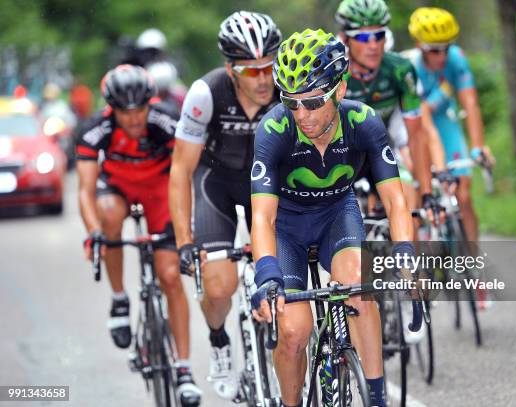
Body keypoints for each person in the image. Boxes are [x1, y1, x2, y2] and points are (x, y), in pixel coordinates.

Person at [250, 28, 416, 407]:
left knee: (360, 285)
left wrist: (406, 248)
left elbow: (394, 200)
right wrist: (266, 274)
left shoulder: (364, 122)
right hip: (287, 229)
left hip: (336, 216)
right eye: (291, 102)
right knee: (293, 331)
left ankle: (376, 396)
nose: (301, 114)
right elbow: (262, 218)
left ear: (339, 91)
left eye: (312, 102)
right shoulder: (273, 130)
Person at [168, 11, 282, 400]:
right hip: (214, 184)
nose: (264, 79)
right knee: (219, 287)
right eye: (252, 72)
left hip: (265, 186)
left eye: (269, 66)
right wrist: (184, 240)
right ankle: (219, 340)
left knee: (287, 279)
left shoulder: (288, 89)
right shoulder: (206, 93)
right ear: (230, 69)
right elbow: (181, 171)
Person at [76, 65, 201, 406]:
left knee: (170, 276)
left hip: (160, 189)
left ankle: (185, 369)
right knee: (109, 219)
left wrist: (186, 228)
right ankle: (119, 298)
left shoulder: (166, 122)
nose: (133, 119)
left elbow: (185, 174)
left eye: (140, 110)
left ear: (151, 103)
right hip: (117, 187)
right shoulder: (95, 129)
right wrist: (94, 234)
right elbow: (85, 190)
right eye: (124, 112)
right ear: (111, 109)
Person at [335, 0, 435, 217]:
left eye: (379, 35)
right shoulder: (333, 72)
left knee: (409, 212)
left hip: (381, 153)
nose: (373, 45)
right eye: (363, 37)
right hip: (338, 158)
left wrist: (427, 193)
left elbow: (416, 136)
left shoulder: (400, 70)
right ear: (345, 39)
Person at [407, 7, 496, 244]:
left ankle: (473, 268)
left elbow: (471, 103)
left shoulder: (456, 59)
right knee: (417, 198)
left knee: (463, 197)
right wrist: (437, 163)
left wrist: (478, 147)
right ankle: (418, 273)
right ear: (419, 45)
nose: (442, 56)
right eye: (434, 50)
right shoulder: (410, 69)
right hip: (419, 130)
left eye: (446, 48)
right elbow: (422, 121)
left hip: (447, 124)